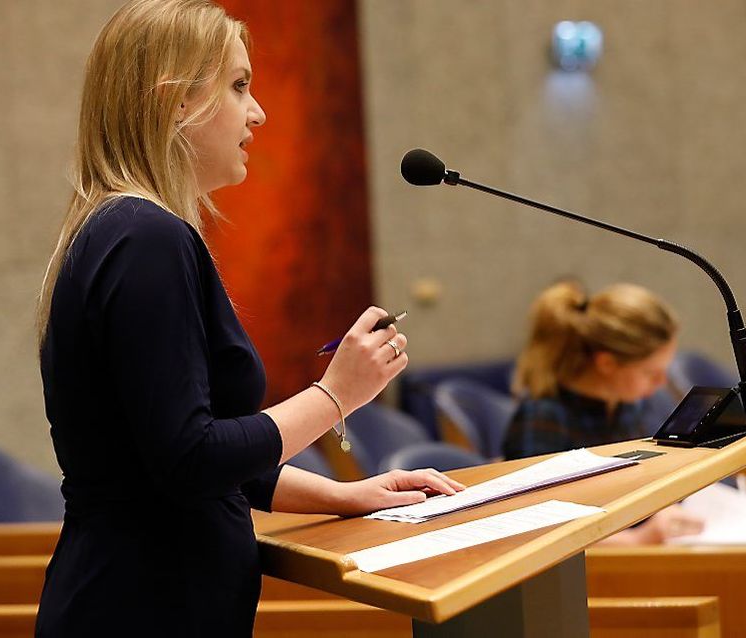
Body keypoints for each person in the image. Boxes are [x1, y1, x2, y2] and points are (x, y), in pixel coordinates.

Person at [34, 1, 463, 635]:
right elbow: (189, 458)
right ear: (176, 101)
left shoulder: (125, 229)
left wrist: (344, 494)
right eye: (239, 85)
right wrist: (335, 396)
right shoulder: (144, 238)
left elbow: (166, 454)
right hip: (139, 607)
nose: (257, 111)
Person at [501, 281, 703, 545]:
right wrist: (635, 540)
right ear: (607, 363)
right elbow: (538, 529)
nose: (662, 382)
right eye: (650, 373)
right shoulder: (542, 418)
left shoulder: (629, 404)